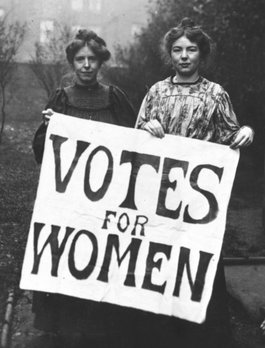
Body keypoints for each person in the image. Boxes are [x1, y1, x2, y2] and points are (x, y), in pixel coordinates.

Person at [134, 17, 254, 348]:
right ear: (169, 54)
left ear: (202, 53)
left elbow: (233, 134)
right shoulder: (157, 92)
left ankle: (206, 337)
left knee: (200, 265)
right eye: (177, 49)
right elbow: (135, 137)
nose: (184, 56)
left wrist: (246, 132)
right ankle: (161, 335)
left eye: (191, 49)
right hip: (160, 196)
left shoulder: (216, 94)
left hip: (200, 201)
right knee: (160, 264)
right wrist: (147, 129)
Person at [32, 29, 136, 348]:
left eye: (92, 59)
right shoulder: (61, 99)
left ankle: (105, 329)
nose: (87, 65)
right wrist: (50, 128)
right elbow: (40, 151)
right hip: (70, 198)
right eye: (80, 59)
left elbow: (135, 144)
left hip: (108, 197)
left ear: (101, 62)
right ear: (72, 62)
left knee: (104, 260)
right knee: (70, 257)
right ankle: (67, 329)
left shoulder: (115, 97)